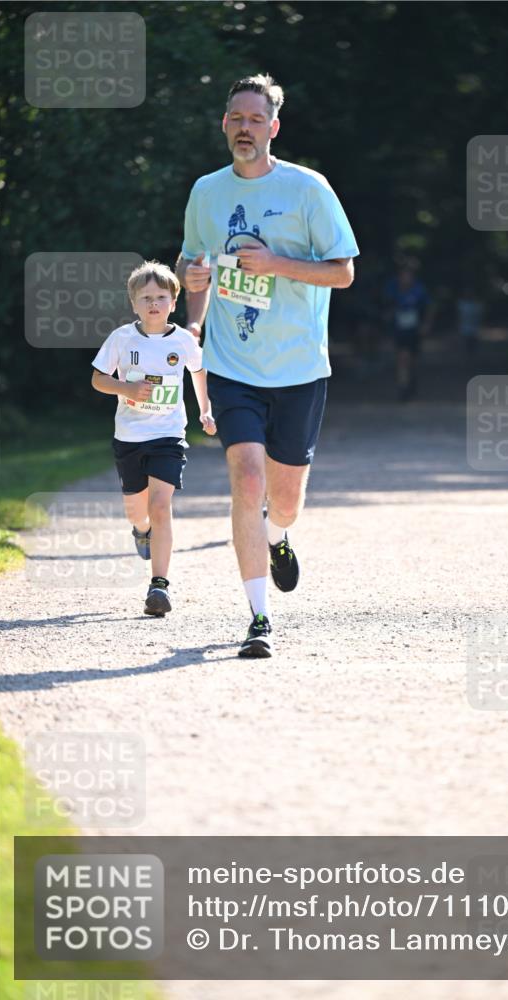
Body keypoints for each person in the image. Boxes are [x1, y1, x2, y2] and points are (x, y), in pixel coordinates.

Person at [175, 73, 358, 658]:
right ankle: (258, 617)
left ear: (274, 128)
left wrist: (276, 263)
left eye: (256, 119)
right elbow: (191, 260)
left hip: (299, 367)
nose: (245, 128)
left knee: (283, 500)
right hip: (233, 363)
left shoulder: (309, 190)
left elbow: (342, 271)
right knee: (246, 478)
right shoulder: (206, 191)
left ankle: (279, 535)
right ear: (224, 124)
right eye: (236, 118)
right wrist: (193, 292)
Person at [91, 261, 216, 617]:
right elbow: (98, 379)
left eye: (161, 297)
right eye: (145, 298)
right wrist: (125, 387)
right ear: (134, 304)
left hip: (168, 434)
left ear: (174, 302)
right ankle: (141, 530)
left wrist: (205, 410)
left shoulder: (183, 341)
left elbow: (199, 372)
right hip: (129, 436)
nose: (153, 304)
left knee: (161, 505)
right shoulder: (121, 338)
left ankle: (159, 585)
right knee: (138, 509)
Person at [384, 262, 430, 402]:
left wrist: (426, 324)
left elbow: (429, 307)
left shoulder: (418, 290)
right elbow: (387, 306)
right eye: (403, 275)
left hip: (414, 330)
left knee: (412, 360)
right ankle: (403, 387)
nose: (405, 278)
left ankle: (411, 381)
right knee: (402, 358)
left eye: (408, 275)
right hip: (400, 330)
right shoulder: (393, 289)